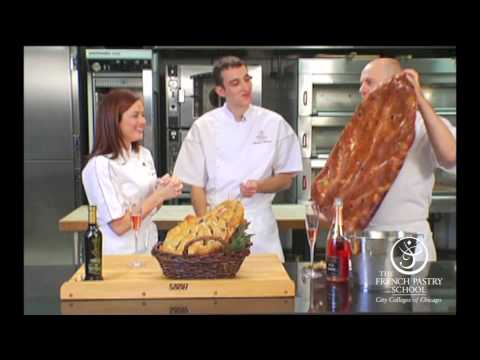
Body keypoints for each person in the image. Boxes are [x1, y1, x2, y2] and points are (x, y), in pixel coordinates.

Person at [173, 56, 303, 262]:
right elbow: (197, 187)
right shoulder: (204, 127)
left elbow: (286, 179)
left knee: (266, 291)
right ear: (221, 91)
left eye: (246, 79)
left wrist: (259, 186)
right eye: (235, 83)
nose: (245, 87)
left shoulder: (274, 124)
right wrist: (205, 231)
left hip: (260, 231)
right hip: (217, 229)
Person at [358, 58, 456, 261]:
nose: (361, 89)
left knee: (408, 294)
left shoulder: (423, 125)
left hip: (410, 244)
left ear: (394, 85)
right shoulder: (362, 132)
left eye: (369, 82)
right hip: (367, 243)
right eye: (361, 83)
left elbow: (450, 156)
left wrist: (419, 99)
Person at [82, 89, 183, 255]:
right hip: (118, 256)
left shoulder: (144, 155)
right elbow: (119, 226)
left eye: (143, 115)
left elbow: (152, 208)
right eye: (135, 115)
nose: (143, 121)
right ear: (114, 120)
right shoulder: (99, 166)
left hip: (148, 248)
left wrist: (162, 189)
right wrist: (159, 195)